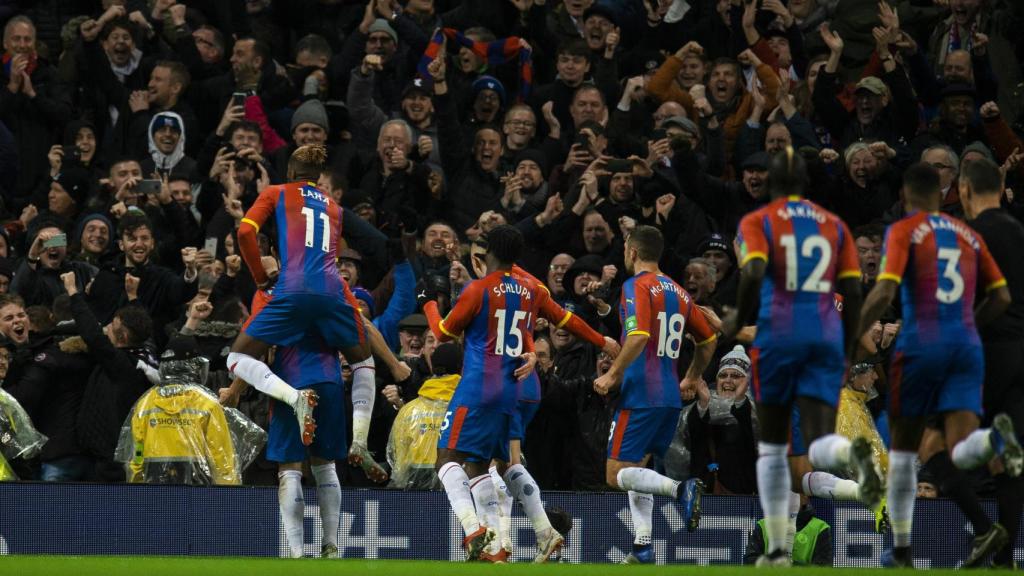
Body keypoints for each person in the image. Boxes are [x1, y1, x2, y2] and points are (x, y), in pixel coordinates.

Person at [722, 147, 880, 567]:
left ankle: (781, 546)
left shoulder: (760, 222)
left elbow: (752, 271)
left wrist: (736, 318)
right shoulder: (836, 228)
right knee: (810, 450)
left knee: (779, 454)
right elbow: (859, 307)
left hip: (782, 344)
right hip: (825, 348)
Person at [856, 162, 1019, 568]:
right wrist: (967, 323)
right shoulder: (969, 234)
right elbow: (1000, 298)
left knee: (913, 446)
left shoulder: (905, 230)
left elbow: (884, 291)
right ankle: (998, 445)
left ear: (906, 196)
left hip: (922, 344)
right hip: (967, 348)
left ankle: (903, 551)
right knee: (960, 449)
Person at [226, 145, 370, 446]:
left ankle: (294, 398)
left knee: (237, 357)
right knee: (363, 362)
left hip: (293, 289)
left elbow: (245, 232)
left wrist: (259, 276)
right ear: (317, 178)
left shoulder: (278, 192)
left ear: (290, 173)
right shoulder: (333, 206)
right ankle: (360, 440)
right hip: (333, 292)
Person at [593, 225, 716, 565]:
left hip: (640, 393)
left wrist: (612, 374)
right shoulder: (679, 291)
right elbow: (708, 340)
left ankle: (681, 489)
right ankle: (643, 545)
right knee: (638, 468)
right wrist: (691, 377)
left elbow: (638, 335)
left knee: (615, 472)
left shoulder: (636, 286)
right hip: (668, 395)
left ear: (632, 252)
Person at [422, 225, 541, 561]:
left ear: (486, 253)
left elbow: (442, 333)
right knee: (483, 464)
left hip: (476, 387)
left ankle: (473, 527)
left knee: (446, 459)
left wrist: (429, 302)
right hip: (510, 388)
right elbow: (526, 335)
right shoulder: (530, 290)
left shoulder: (479, 288)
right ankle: (498, 546)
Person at [957, 157, 1024, 568]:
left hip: (987, 351)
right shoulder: (1018, 229)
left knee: (942, 442)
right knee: (1008, 456)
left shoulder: (971, 235)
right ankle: (1004, 557)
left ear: (965, 190)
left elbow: (968, 295)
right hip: (1020, 350)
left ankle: (983, 528)